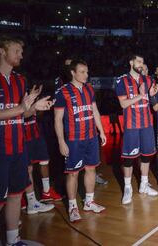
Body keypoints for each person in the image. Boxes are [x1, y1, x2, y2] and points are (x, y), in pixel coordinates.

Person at [0, 35, 54, 245]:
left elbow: (21, 114)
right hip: (0, 150)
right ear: (2, 51)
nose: (21, 55)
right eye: (17, 51)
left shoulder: (19, 80)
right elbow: (16, 110)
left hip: (19, 148)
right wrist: (22, 108)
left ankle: (13, 241)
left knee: (15, 195)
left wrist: (33, 109)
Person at [54, 59, 107, 223]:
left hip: (91, 137)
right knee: (73, 173)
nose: (86, 75)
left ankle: (89, 202)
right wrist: (61, 142)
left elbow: (95, 111)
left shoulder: (89, 88)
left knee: (91, 169)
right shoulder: (63, 92)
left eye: (87, 72)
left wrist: (102, 131)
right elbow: (57, 119)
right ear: (73, 72)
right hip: (73, 139)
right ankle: (72, 206)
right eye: (82, 72)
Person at [116, 54, 158, 205]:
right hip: (131, 125)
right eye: (139, 61)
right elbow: (123, 104)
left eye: (143, 62)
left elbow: (152, 98)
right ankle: (127, 188)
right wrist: (141, 95)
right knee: (129, 157)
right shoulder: (122, 80)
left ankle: (144, 184)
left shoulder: (147, 80)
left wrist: (153, 93)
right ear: (131, 62)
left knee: (147, 155)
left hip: (147, 124)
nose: (141, 64)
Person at [22, 113, 60, 215]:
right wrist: (34, 107)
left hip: (35, 132)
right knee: (27, 168)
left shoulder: (33, 96)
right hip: (22, 135)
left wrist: (41, 109)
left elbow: (39, 115)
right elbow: (22, 112)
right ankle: (25, 198)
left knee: (44, 160)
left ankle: (47, 192)